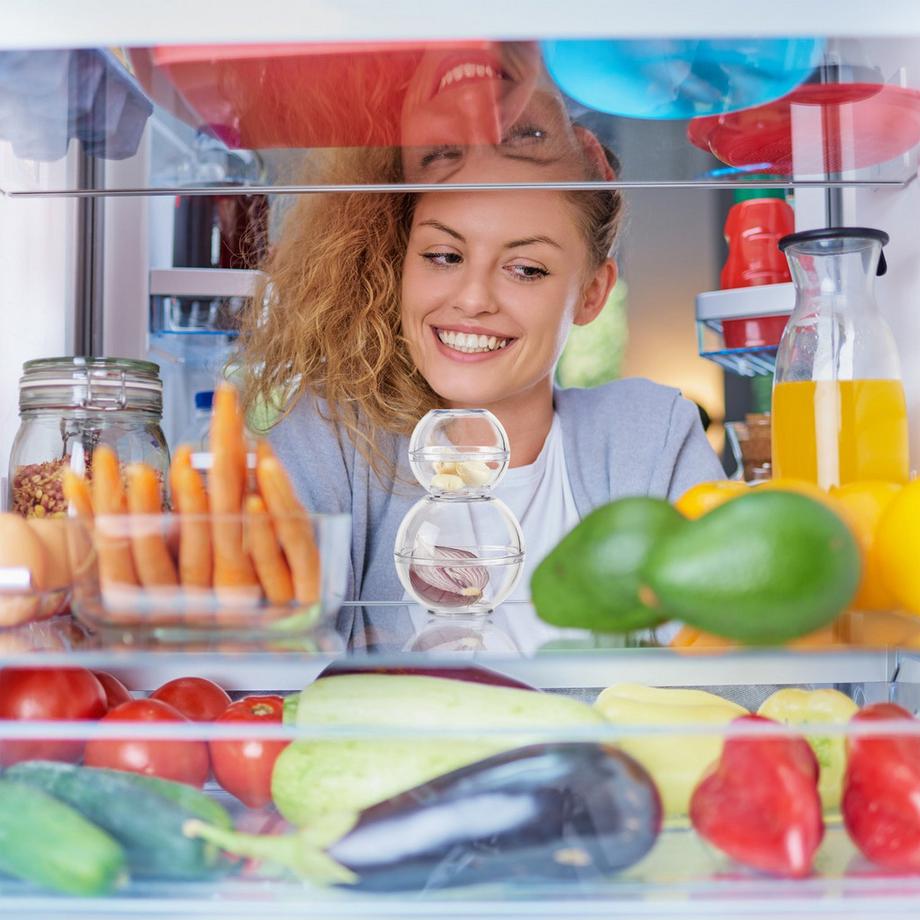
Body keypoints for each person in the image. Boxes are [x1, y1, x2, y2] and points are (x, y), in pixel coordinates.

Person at [239, 53, 724, 653]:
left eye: (526, 269)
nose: (472, 299)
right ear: (399, 264)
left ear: (592, 294)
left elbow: (734, 668)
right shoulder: (332, 438)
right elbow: (266, 662)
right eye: (444, 256)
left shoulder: (650, 436)